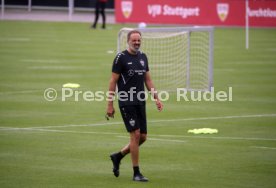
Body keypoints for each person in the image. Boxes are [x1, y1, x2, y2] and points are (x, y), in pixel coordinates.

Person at [106, 30, 163, 182]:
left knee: (143, 137)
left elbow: (148, 80)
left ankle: (118, 156)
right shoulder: (121, 58)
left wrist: (156, 98)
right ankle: (136, 173)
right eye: (134, 40)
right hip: (126, 101)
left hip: (140, 101)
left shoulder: (143, 57)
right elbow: (112, 81)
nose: (137, 43)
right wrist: (110, 105)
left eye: (139, 40)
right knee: (135, 134)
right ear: (128, 41)